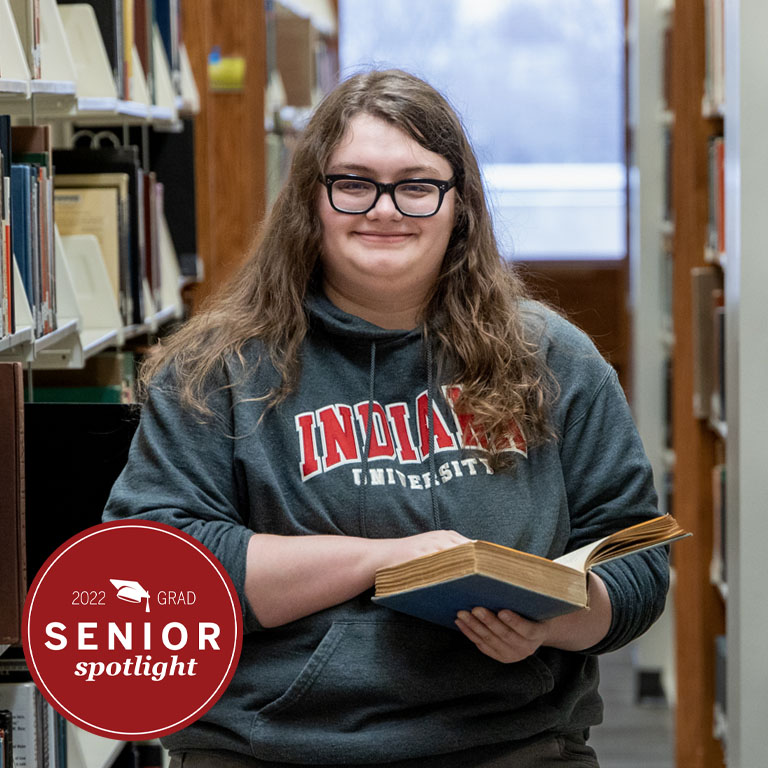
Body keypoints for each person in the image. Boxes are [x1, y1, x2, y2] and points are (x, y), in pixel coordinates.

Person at [103, 69, 668, 767]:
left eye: (416, 184)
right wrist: (384, 560)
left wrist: (552, 623)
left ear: (459, 205)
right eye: (354, 183)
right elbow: (159, 572)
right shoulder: (217, 368)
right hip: (271, 749)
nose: (385, 209)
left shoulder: (551, 358)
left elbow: (636, 553)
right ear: (310, 200)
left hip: (512, 742)